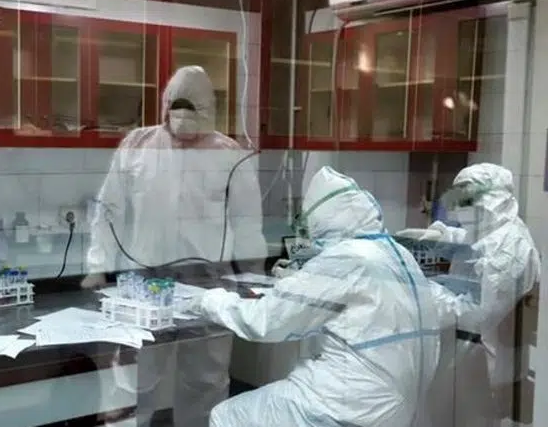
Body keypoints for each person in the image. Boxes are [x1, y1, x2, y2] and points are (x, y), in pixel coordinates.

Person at [83, 66, 267, 427]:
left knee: (206, 380)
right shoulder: (137, 145)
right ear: (165, 105)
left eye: (193, 109)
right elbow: (108, 210)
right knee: (134, 378)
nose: (183, 118)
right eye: (176, 108)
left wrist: (253, 278)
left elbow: (247, 223)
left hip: (209, 284)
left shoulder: (229, 154)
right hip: (144, 282)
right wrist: (97, 265)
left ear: (209, 110)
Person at [194, 166, 440, 427]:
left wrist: (210, 301)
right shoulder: (396, 253)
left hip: (356, 404)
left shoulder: (347, 257)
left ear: (323, 221)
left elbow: (266, 321)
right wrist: (302, 278)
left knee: (228, 416)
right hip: (400, 403)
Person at [411, 163, 540, 426]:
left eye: (466, 200)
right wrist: (439, 236)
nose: (459, 208)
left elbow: (476, 314)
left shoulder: (509, 249)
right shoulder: (496, 230)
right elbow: (473, 242)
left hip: (486, 366)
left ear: (491, 200)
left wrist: (426, 294)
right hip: (470, 358)